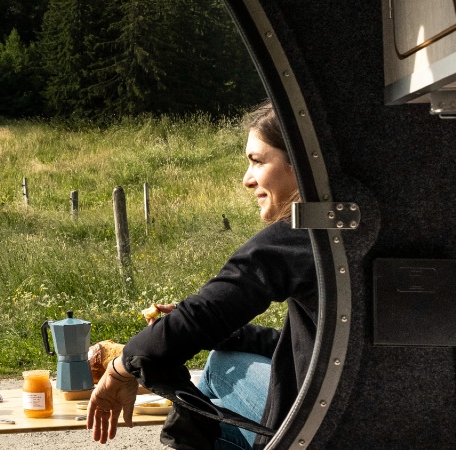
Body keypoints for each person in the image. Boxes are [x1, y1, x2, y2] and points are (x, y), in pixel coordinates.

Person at [87, 101, 314, 450]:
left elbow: (204, 314)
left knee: (214, 379)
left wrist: (122, 367)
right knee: (216, 375)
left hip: (321, 424)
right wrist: (226, 334)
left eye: (257, 161)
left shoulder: (295, 239)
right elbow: (307, 343)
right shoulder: (354, 234)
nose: (247, 179)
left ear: (301, 162)